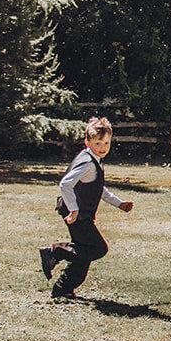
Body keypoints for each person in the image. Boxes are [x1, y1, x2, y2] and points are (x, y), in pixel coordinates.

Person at [39, 117, 133, 298]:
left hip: (79, 213)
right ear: (87, 142)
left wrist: (119, 203)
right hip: (75, 213)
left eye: (106, 142)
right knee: (98, 249)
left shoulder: (93, 159)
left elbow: (97, 187)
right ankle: (55, 251)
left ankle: (62, 289)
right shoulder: (89, 162)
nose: (103, 147)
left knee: (84, 252)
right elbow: (65, 184)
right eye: (98, 142)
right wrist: (74, 210)